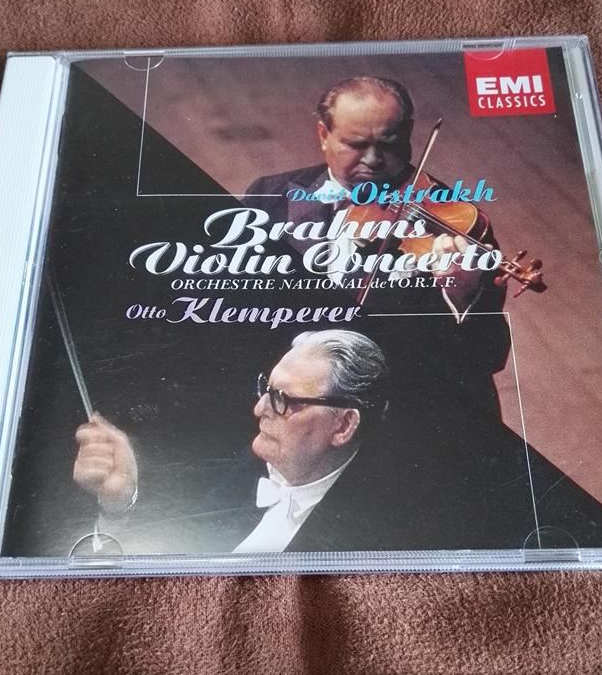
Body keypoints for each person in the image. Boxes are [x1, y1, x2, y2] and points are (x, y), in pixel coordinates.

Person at [245, 76, 511, 415]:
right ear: (324, 135)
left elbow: (488, 355)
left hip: (401, 409)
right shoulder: (269, 195)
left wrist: (463, 296)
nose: (373, 160)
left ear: (408, 133)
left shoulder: (456, 219)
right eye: (356, 144)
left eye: (390, 144)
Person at [73, 330, 391, 552]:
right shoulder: (229, 470)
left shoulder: (380, 530)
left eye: (285, 400)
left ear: (343, 425)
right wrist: (117, 507)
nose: (260, 409)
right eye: (267, 390)